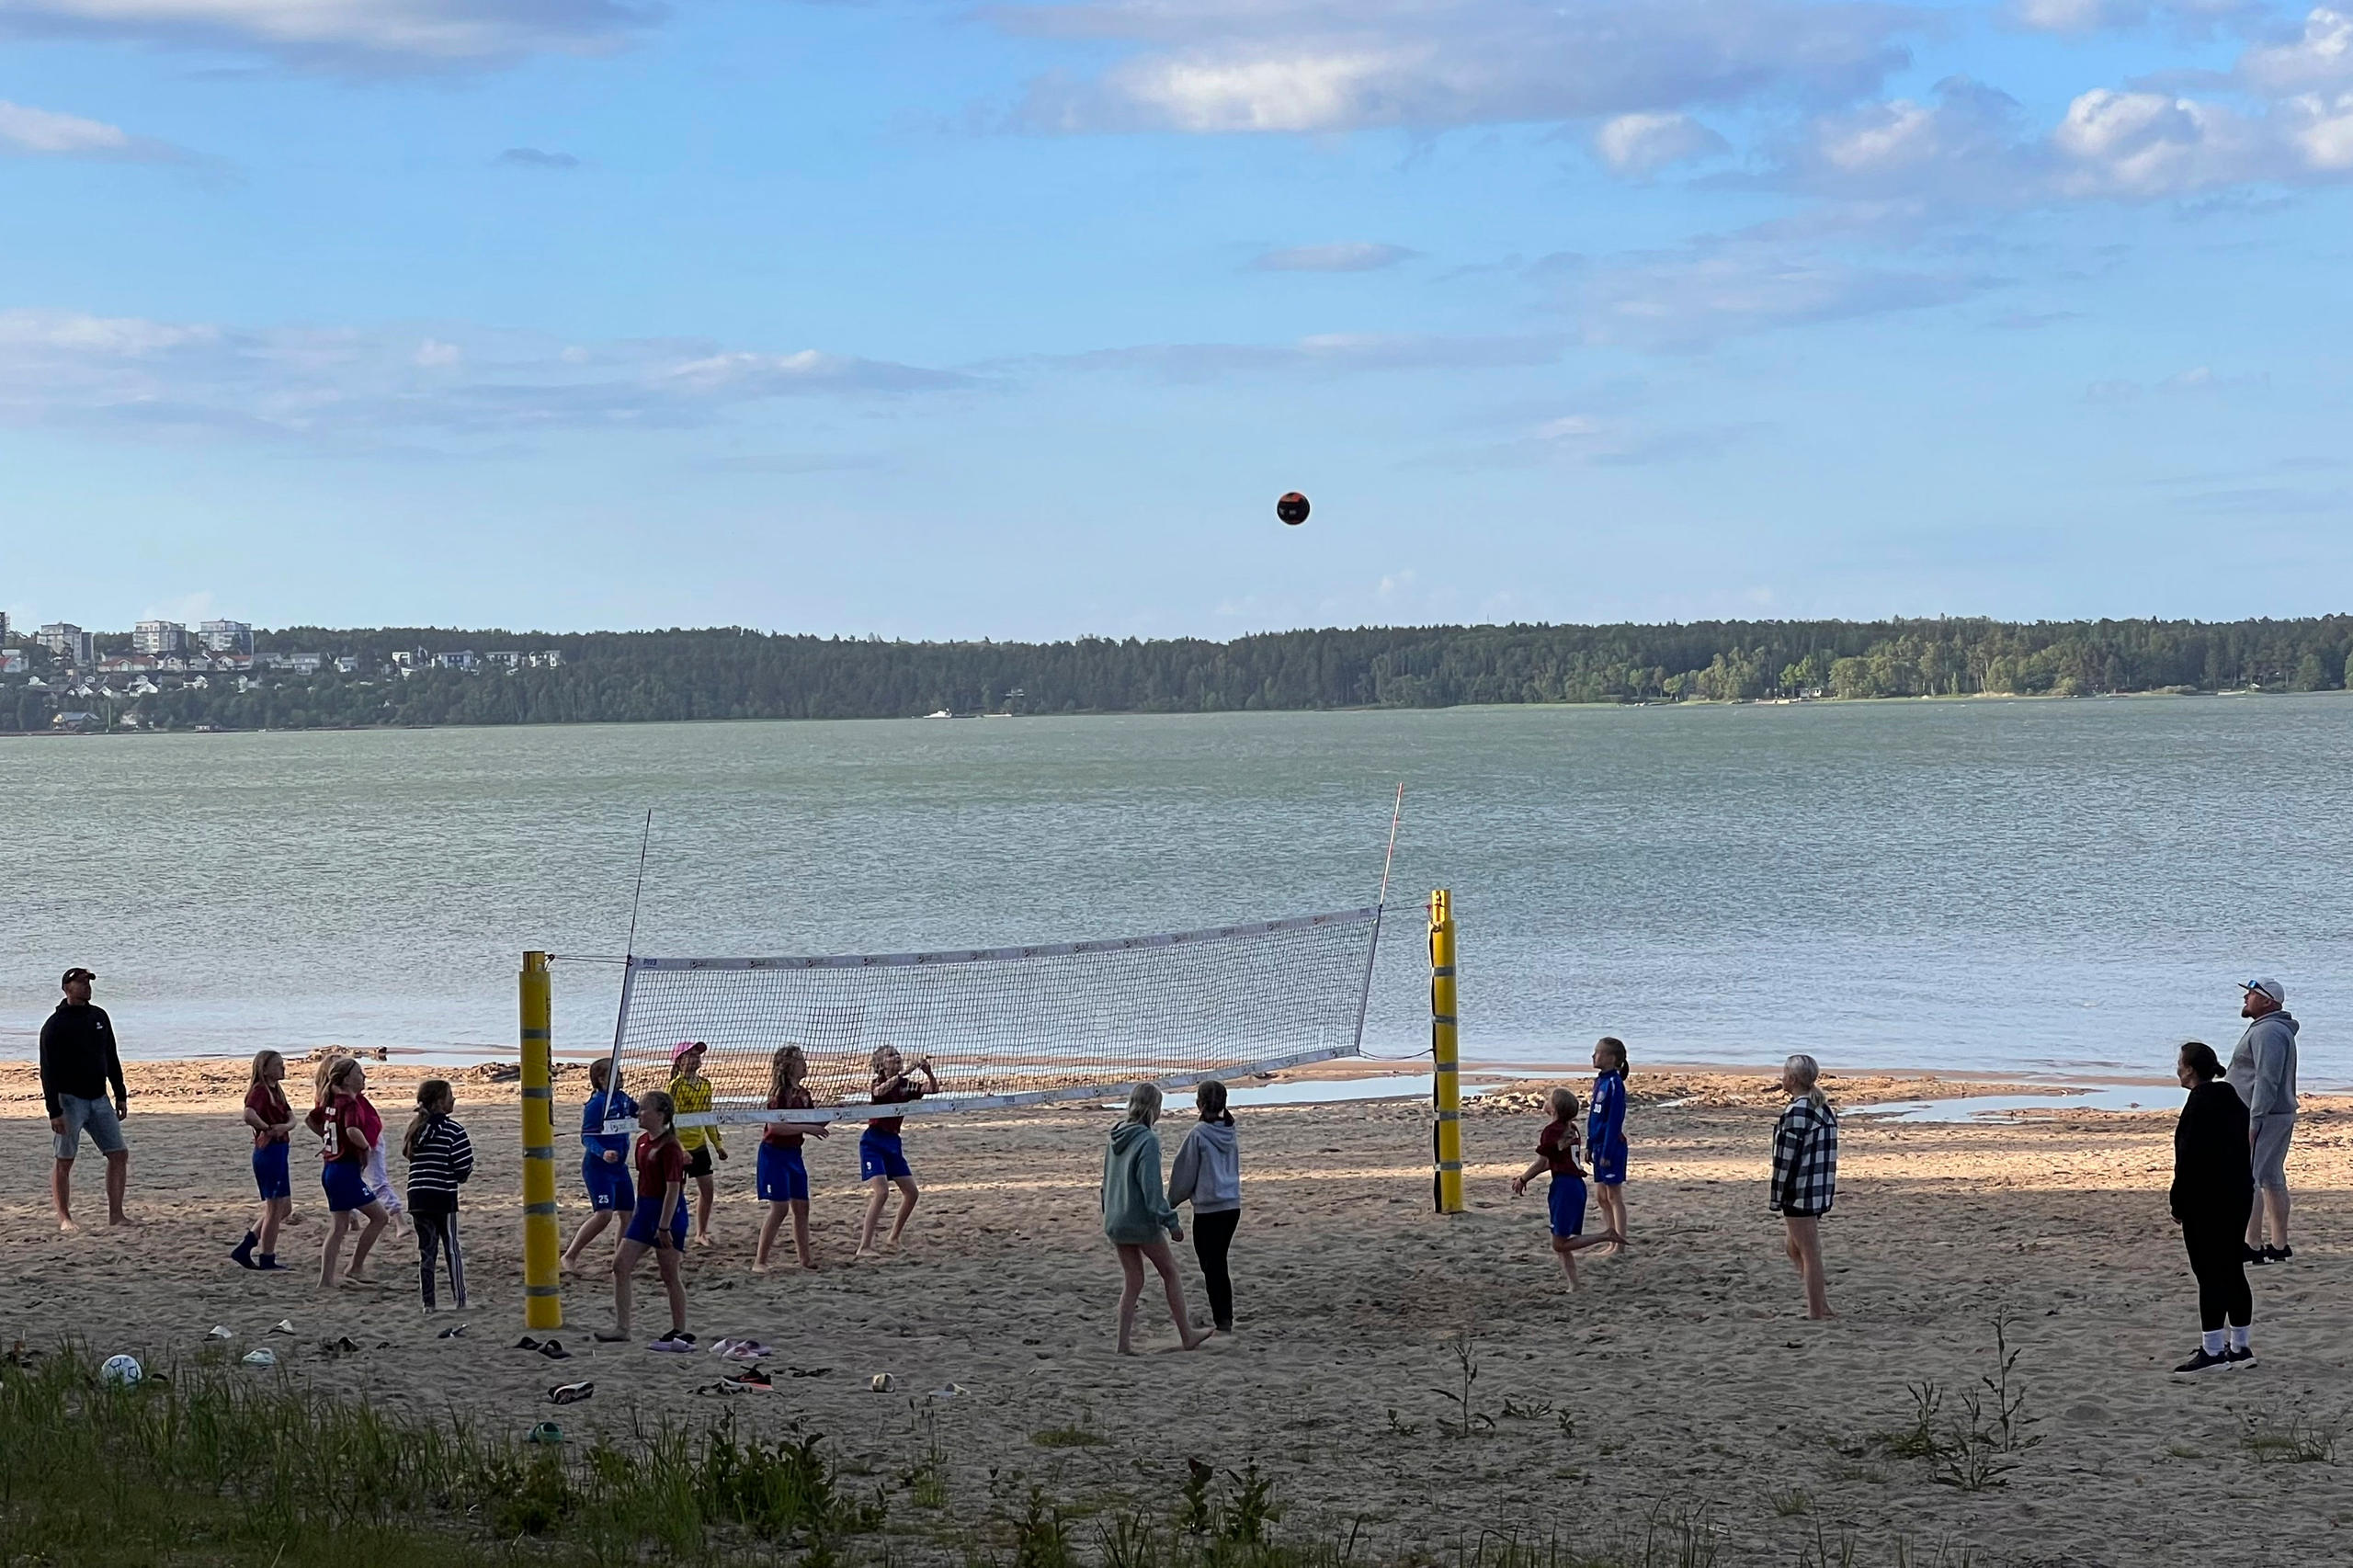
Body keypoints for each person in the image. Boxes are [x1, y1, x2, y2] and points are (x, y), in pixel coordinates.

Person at [1102, 1082, 1211, 1355]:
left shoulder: (1115, 1135)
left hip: (1116, 1219)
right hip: (1139, 1220)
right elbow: (1151, 1189)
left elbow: (1106, 1183)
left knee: (1133, 1281)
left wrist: (1109, 1210)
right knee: (1170, 1272)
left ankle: (1123, 1344)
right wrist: (1171, 1222)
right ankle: (1187, 1334)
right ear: (1154, 1108)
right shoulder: (1147, 1140)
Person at [2170, 1040, 2256, 1375]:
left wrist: (2178, 1203)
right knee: (2234, 1269)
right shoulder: (2233, 1099)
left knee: (2209, 1274)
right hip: (2238, 1195)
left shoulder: (2198, 1103)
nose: (2177, 1067)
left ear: (2189, 1069)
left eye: (2180, 1062)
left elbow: (2188, 1159)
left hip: (2207, 1201)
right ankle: (2241, 1347)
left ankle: (2212, 1351)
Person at [39, 966, 130, 1232]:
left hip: (100, 1098)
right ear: (67, 988)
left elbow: (110, 1056)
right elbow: (48, 1070)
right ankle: (65, 1218)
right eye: (80, 983)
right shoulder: (55, 1025)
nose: (86, 987)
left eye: (88, 982)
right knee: (65, 1159)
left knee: (119, 1154)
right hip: (69, 1101)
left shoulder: (99, 1016)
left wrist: (120, 1094)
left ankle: (117, 1214)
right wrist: (54, 1110)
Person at [603, 1089, 691, 1348]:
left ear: (660, 1114)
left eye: (644, 1109)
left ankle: (679, 1329)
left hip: (667, 1213)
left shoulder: (670, 1147)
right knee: (620, 1265)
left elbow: (673, 1189)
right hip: (645, 1211)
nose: (639, 1113)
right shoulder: (642, 1141)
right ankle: (622, 1328)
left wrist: (664, 1226)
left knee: (669, 1274)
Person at [1509, 1086, 1620, 1288]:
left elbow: (1543, 1162)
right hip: (1575, 1185)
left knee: (1559, 1243)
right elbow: (1555, 1160)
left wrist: (1523, 1179)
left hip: (1565, 1187)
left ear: (1554, 1109)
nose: (1545, 1100)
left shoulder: (1552, 1131)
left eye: (1549, 1099)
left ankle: (1606, 1235)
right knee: (1560, 1241)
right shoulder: (1572, 1128)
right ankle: (1573, 1284)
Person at [2224, 978, 2299, 1264]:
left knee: (2251, 1178)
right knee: (2271, 1177)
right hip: (2274, 1113)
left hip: (2263, 1114)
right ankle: (2279, 1245)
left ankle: (2252, 1244)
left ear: (2268, 1002)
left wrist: (2254, 1120)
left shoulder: (2268, 1032)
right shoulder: (2272, 1030)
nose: (2246, 998)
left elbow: (2267, 1079)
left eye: (2252, 994)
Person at [307, 1056, 390, 1290]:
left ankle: (326, 1280)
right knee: (379, 1217)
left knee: (339, 1227)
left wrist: (330, 1141)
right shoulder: (349, 1104)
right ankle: (355, 1266)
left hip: (331, 1169)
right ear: (346, 1079)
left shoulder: (330, 1099)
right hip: (344, 1171)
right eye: (359, 1074)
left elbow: (312, 1120)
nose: (363, 1078)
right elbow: (353, 1131)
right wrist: (365, 1148)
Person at [1167, 1079, 1242, 1333]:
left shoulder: (1198, 1134)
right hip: (1232, 1206)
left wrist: (1171, 1201)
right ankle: (1224, 1318)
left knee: (1212, 1266)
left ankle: (1223, 1321)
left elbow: (1184, 1173)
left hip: (1210, 1210)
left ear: (1199, 1104)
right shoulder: (1229, 1130)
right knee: (1217, 1263)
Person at [1769, 1054, 1837, 1320]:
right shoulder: (1822, 1108)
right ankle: (1820, 1302)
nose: (1781, 1078)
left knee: (1809, 1252)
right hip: (1816, 1187)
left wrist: (1778, 1196)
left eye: (1784, 1073)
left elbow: (1784, 1160)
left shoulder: (1797, 1112)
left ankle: (1816, 1311)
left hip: (1800, 1191)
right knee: (1793, 1248)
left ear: (1793, 1079)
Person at [856, 1045, 938, 1257]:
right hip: (873, 1142)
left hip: (893, 1142)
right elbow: (878, 1092)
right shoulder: (879, 1082)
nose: (897, 1058)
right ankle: (864, 1246)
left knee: (912, 1193)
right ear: (881, 1065)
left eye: (897, 1055)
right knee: (881, 1193)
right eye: (891, 1056)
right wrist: (905, 1072)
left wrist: (928, 1072)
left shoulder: (905, 1085)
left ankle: (893, 1237)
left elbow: (932, 1090)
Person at [755, 1045, 830, 1273]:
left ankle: (804, 1259)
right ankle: (760, 1261)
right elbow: (776, 1127)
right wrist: (809, 1128)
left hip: (794, 1155)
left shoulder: (804, 1094)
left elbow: (815, 1124)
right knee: (779, 1209)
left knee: (802, 1207)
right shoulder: (779, 1095)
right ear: (788, 1066)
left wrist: (835, 1112)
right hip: (773, 1155)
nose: (804, 1063)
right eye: (799, 1059)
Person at [404, 1079, 475, 1312]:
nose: (454, 1099)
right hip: (443, 1196)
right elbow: (463, 1166)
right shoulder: (454, 1130)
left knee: (427, 1251)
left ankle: (428, 1303)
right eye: (450, 1095)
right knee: (452, 1247)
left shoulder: (416, 1129)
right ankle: (460, 1299)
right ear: (439, 1103)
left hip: (417, 1197)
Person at [561, 1058, 638, 1274]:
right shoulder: (596, 1104)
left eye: (621, 1074)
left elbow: (639, 1113)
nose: (621, 1078)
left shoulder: (622, 1098)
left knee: (627, 1214)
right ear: (602, 1079)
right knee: (604, 1215)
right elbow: (586, 1137)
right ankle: (569, 1256)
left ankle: (620, 1260)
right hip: (598, 1167)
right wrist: (603, 1152)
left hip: (619, 1167)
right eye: (616, 1075)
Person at [232, 1049, 295, 1270]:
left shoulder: (276, 1091)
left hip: (279, 1150)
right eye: (278, 1065)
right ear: (265, 1069)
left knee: (283, 1207)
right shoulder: (260, 1091)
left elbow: (291, 1117)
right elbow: (248, 1115)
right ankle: (267, 1256)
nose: (283, 1068)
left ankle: (246, 1245)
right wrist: (267, 1128)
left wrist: (283, 1127)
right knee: (275, 1207)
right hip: (269, 1152)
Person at [667, 1040, 728, 1246]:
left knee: (707, 1190)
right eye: (689, 1056)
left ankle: (701, 1232)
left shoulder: (705, 1085)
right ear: (678, 1061)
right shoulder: (674, 1086)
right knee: (676, 1194)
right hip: (678, 1147)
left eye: (697, 1056)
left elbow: (707, 1117)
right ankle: (671, 1230)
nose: (695, 1060)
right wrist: (681, 1149)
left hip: (699, 1145)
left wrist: (718, 1145)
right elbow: (669, 1123)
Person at [1588, 1037, 1631, 1252]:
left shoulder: (1615, 1084)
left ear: (1612, 1058)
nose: (1594, 1056)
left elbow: (1614, 1120)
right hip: (1597, 1145)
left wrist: (1606, 1151)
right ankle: (1610, 1238)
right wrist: (1589, 1144)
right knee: (1601, 1196)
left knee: (1614, 1196)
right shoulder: (1600, 1081)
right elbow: (1594, 1116)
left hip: (1611, 1147)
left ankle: (1619, 1245)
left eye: (1598, 1052)